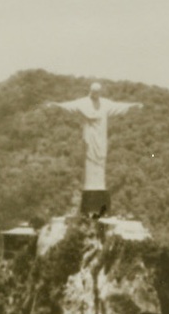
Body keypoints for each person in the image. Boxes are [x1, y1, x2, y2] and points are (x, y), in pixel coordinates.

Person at [44, 82, 141, 215]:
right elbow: (68, 106)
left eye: (98, 93)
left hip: (101, 139)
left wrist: (133, 106)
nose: (95, 95)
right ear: (90, 91)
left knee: (101, 160)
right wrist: (56, 105)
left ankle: (99, 187)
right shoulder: (82, 103)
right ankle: (90, 187)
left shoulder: (105, 104)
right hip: (89, 140)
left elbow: (119, 107)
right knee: (89, 161)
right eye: (94, 92)